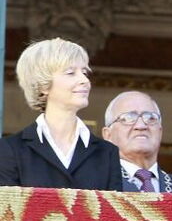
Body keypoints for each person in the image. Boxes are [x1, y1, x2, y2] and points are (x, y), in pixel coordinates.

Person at [0, 38, 121, 190]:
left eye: (84, 72)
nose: (85, 80)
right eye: (71, 73)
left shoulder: (107, 153)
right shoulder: (10, 150)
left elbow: (112, 213)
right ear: (43, 85)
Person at [101, 91, 172, 193]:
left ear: (160, 131)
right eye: (128, 118)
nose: (141, 126)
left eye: (150, 118)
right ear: (108, 135)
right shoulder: (95, 183)